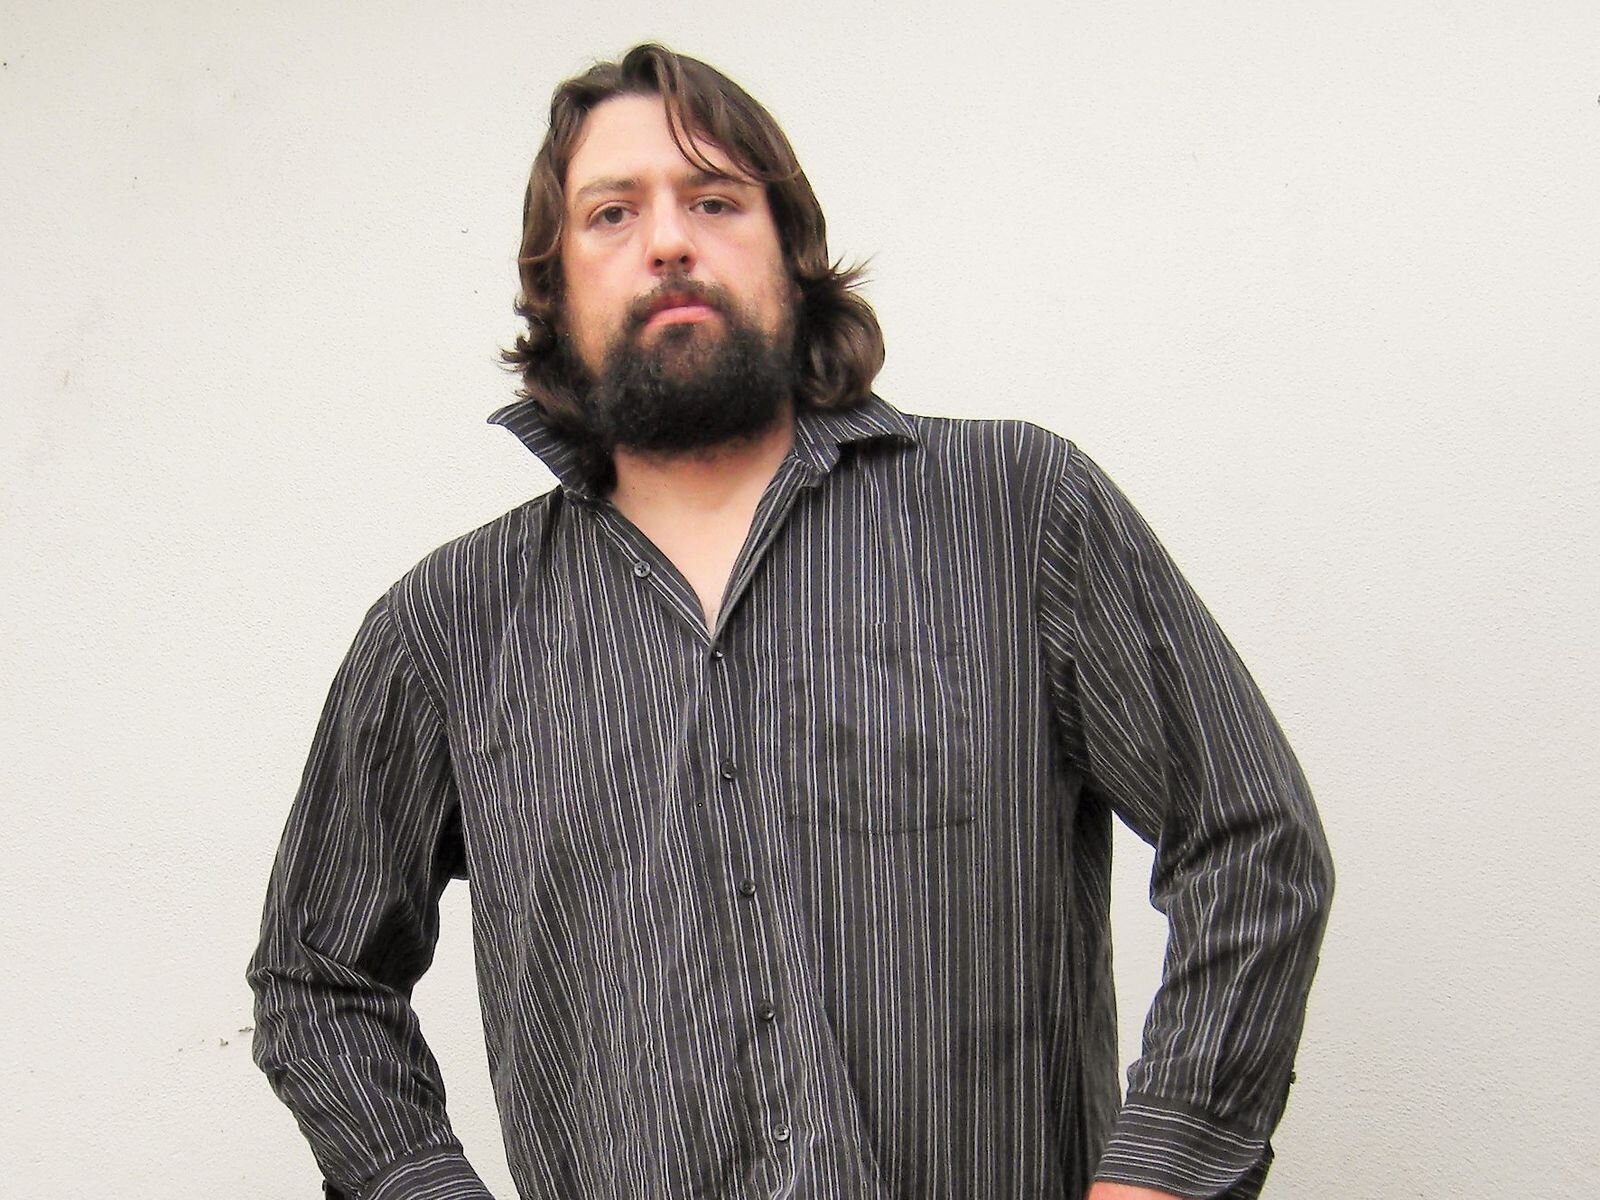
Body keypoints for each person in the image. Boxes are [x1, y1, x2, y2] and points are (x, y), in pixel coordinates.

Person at [248, 43, 1333, 1200]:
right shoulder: (447, 628)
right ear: (553, 287)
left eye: (714, 200)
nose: (669, 240)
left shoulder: (1016, 511)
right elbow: (319, 979)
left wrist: (1160, 1172)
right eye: (612, 213)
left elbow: (1248, 839)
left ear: (790, 249)